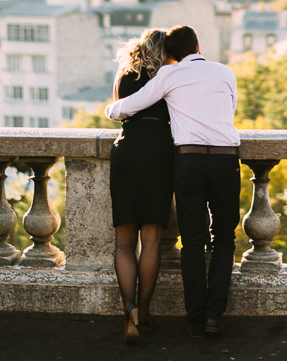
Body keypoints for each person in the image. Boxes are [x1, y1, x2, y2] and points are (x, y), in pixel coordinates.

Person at [105, 23, 240, 338]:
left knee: (192, 241)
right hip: (224, 158)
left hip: (185, 159)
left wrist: (111, 109)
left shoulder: (168, 75)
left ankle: (190, 318)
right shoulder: (226, 73)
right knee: (224, 240)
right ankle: (213, 318)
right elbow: (228, 111)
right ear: (198, 45)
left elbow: (131, 106)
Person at [109, 28, 174, 344]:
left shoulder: (126, 73)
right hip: (159, 148)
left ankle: (129, 307)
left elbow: (120, 107)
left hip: (127, 145)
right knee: (151, 239)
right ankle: (145, 311)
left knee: (124, 240)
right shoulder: (170, 75)